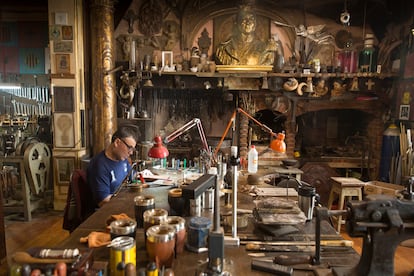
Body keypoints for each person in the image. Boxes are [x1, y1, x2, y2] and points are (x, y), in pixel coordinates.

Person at [87, 126, 138, 207]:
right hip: (106, 212)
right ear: (117, 142)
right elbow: (103, 202)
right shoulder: (99, 166)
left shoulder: (122, 158)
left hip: (122, 202)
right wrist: (129, 200)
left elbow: (132, 175)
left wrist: (148, 175)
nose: (131, 153)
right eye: (129, 148)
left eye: (133, 149)